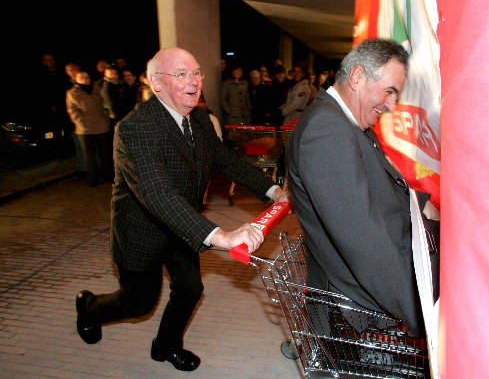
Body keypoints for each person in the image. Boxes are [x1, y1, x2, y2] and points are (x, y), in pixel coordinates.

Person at [74, 47, 288, 372]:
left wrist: (273, 191)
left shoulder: (199, 119)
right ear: (156, 83)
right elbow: (157, 194)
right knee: (139, 303)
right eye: (182, 74)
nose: (194, 81)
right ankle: (89, 307)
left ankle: (166, 346)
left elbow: (225, 160)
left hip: (181, 228)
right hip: (141, 231)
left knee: (190, 289)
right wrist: (222, 236)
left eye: (197, 72)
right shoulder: (135, 128)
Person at [286, 38, 425, 338]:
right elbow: (364, 243)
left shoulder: (345, 122)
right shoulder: (327, 130)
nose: (391, 105)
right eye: (389, 91)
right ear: (358, 77)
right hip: (356, 306)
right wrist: (421, 313)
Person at [65, 70, 113, 186]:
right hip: (85, 129)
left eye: (87, 77)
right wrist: (81, 123)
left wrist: (106, 120)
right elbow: (72, 111)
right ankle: (92, 179)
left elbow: (103, 105)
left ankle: (108, 176)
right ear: (76, 79)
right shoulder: (72, 93)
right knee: (90, 156)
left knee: (105, 154)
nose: (86, 79)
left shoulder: (96, 89)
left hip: (101, 126)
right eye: (82, 77)